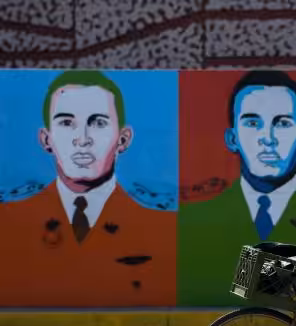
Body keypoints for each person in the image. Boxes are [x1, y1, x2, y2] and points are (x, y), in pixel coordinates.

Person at [177, 70, 296, 306]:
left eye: (282, 123)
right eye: (252, 123)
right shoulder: (194, 213)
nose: (268, 138)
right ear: (232, 138)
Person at [0, 70, 176, 307]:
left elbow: (242, 262)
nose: (82, 139)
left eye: (98, 123)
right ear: (46, 140)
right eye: (66, 123)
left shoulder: (162, 226)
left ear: (123, 139)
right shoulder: (10, 221)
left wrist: (239, 295)